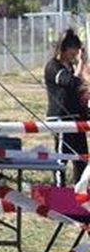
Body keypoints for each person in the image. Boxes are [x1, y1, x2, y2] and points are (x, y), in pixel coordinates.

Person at [44, 29, 88, 182]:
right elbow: (70, 83)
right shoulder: (53, 67)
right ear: (64, 48)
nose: (75, 53)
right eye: (73, 49)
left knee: (82, 159)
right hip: (61, 118)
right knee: (61, 159)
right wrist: (81, 64)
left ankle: (80, 191)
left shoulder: (70, 67)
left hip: (76, 119)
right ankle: (59, 190)